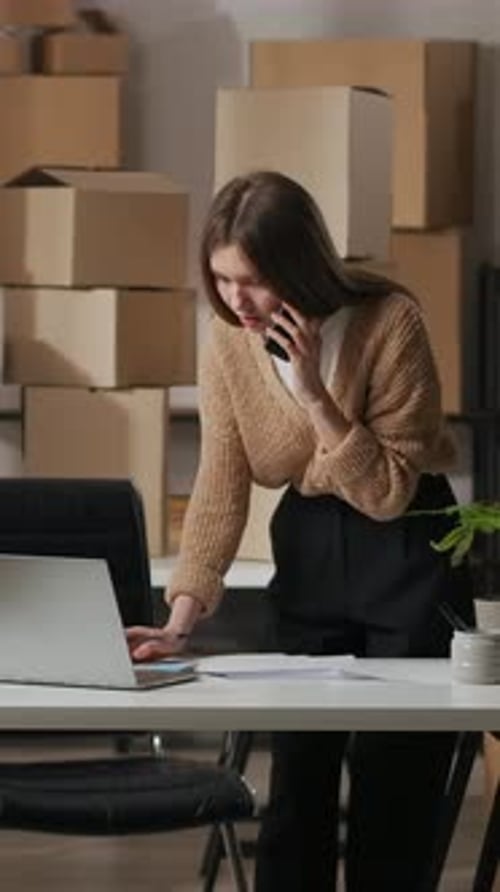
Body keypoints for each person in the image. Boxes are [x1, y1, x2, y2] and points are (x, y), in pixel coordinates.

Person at [127, 170, 473, 892]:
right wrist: (180, 619)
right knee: (297, 781)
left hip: (407, 545)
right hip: (311, 546)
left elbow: (385, 493)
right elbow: (221, 479)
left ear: (297, 265)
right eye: (221, 280)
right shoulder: (230, 344)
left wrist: (314, 394)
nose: (236, 301)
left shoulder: (391, 323)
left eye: (251, 280)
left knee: (391, 789)